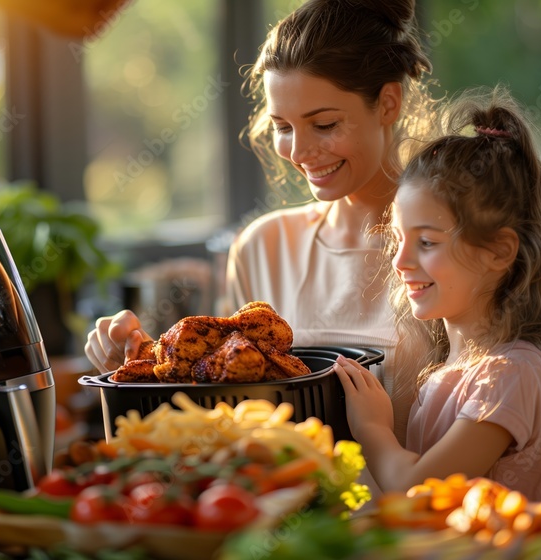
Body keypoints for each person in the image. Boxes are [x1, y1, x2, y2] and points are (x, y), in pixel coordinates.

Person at [85, 0, 437, 445]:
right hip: (278, 506)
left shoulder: (447, 245)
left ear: (388, 103)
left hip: (419, 509)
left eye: (324, 124)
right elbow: (226, 416)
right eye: (283, 126)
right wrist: (139, 365)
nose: (300, 150)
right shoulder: (262, 247)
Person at [333, 86, 541, 501]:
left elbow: (419, 490)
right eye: (397, 239)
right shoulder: (455, 366)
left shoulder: (511, 374)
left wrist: (372, 428)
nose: (399, 262)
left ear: (498, 251)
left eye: (427, 243)